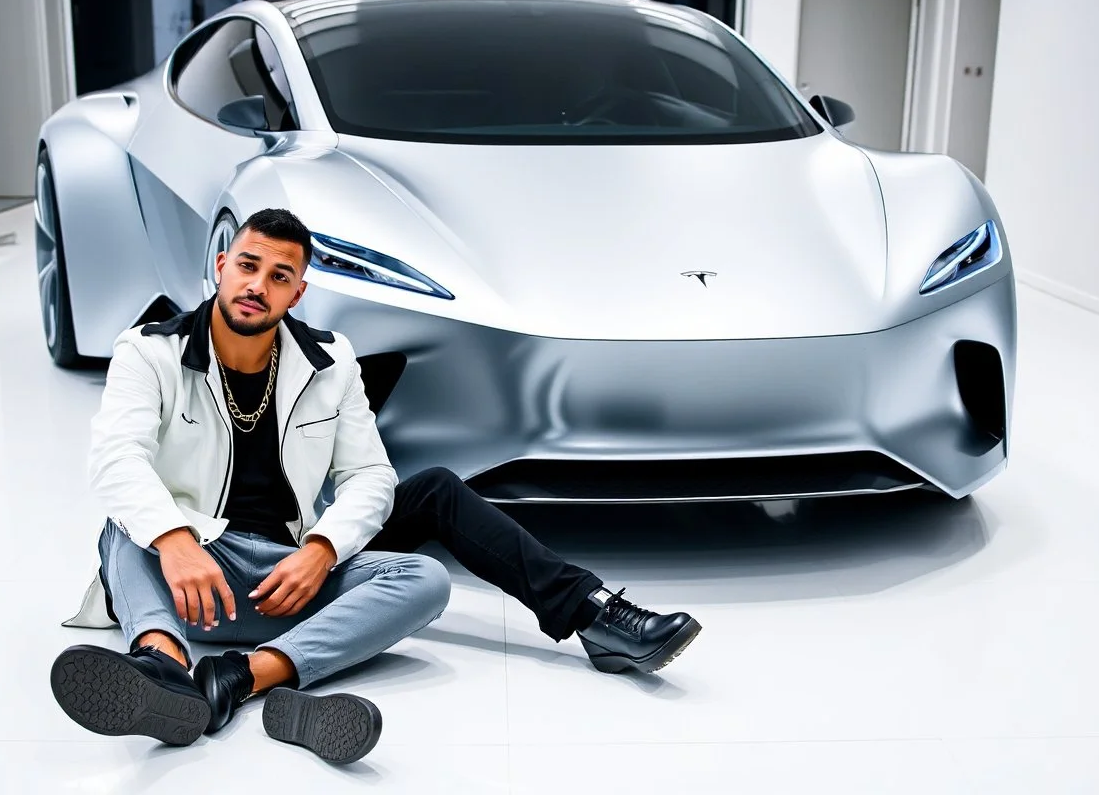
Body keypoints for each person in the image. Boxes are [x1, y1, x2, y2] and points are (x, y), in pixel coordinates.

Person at [53, 208, 700, 763]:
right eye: (248, 266)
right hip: (193, 574)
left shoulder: (329, 362)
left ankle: (241, 677)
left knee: (429, 552)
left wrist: (322, 550)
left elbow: (369, 476)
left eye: (280, 276)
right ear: (221, 265)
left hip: (286, 570)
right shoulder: (150, 351)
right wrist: (174, 540)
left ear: (297, 293)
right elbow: (116, 458)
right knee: (123, 529)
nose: (258, 285)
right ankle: (163, 669)